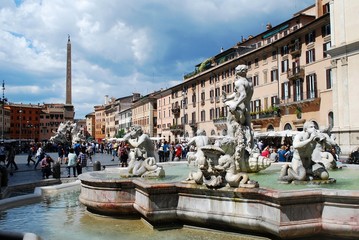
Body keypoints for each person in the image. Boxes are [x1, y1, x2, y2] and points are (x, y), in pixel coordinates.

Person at [222, 65, 254, 150]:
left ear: (237, 72)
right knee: (248, 128)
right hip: (247, 108)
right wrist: (227, 98)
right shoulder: (249, 82)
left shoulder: (238, 82)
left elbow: (243, 95)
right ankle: (249, 149)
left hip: (239, 107)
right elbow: (237, 94)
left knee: (230, 123)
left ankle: (231, 148)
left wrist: (235, 105)